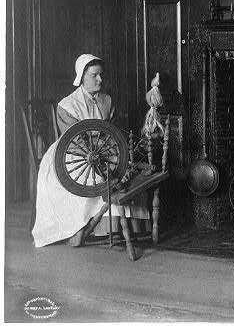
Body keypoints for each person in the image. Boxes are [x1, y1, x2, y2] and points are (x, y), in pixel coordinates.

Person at [32, 54, 150, 248]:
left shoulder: (107, 100)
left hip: (103, 148)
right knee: (86, 178)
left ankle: (120, 228)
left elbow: (111, 130)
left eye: (101, 75)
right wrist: (100, 156)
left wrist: (112, 152)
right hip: (73, 153)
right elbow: (75, 140)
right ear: (82, 76)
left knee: (126, 171)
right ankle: (83, 229)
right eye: (94, 75)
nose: (100, 80)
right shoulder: (68, 105)